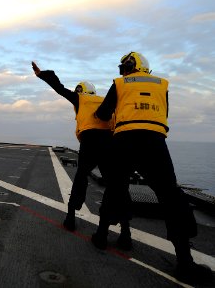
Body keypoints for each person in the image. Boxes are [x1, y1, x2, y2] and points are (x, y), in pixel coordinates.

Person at [91, 51, 213, 284]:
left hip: (124, 140)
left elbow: (104, 113)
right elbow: (163, 114)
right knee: (171, 197)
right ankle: (185, 262)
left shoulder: (120, 83)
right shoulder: (161, 85)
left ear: (127, 67)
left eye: (123, 68)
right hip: (155, 144)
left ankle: (102, 235)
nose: (123, 72)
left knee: (115, 188)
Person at [32, 61, 132, 249]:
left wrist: (42, 74)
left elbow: (59, 88)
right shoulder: (104, 98)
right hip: (110, 142)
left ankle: (70, 217)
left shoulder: (80, 99)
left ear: (81, 91)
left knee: (81, 178)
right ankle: (126, 233)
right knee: (117, 186)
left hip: (90, 141)